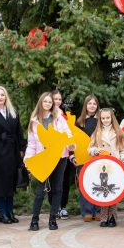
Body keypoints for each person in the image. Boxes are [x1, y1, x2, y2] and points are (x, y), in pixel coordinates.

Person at [25, 92, 73, 231]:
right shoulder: (35, 121)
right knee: (40, 191)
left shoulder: (58, 118)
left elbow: (68, 134)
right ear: (40, 102)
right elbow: (32, 143)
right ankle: (34, 220)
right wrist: (28, 159)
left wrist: (70, 145)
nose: (47, 104)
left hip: (60, 157)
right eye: (45, 101)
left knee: (57, 188)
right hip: (43, 159)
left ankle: (53, 219)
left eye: (50, 102)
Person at [0, 86, 25, 224]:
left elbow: (19, 131)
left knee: (11, 183)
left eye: (2, 95)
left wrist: (22, 148)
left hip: (12, 152)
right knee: (0, 184)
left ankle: (10, 212)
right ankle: (3, 213)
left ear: (6, 96)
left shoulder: (13, 111)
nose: (0, 97)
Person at [88, 108, 124, 227]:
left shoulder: (119, 132)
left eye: (108, 118)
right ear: (100, 119)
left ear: (112, 118)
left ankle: (112, 217)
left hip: (115, 166)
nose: (106, 120)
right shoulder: (97, 133)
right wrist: (96, 150)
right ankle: (103, 217)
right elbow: (89, 149)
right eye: (103, 118)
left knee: (113, 191)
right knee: (103, 189)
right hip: (102, 166)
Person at [75, 94, 100, 222]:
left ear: (97, 106)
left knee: (99, 182)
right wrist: (74, 155)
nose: (92, 106)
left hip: (98, 156)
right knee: (85, 184)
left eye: (94, 104)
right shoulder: (80, 121)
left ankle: (97, 210)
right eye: (89, 103)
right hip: (83, 156)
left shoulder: (101, 120)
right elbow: (74, 139)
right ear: (86, 105)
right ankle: (87, 211)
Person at [51, 89, 72, 220]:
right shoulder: (46, 115)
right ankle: (54, 207)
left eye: (59, 99)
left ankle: (63, 206)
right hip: (51, 154)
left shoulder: (65, 116)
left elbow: (70, 135)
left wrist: (71, 152)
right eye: (55, 99)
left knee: (64, 181)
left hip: (65, 153)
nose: (57, 101)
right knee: (52, 182)